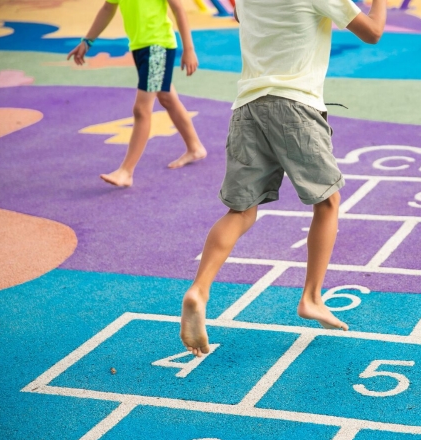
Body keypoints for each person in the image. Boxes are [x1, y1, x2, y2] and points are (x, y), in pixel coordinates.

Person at [180, 0, 388, 356]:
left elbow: (240, 14)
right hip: (295, 106)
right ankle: (311, 297)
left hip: (247, 107)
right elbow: (373, 32)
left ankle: (199, 289)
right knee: (328, 201)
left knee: (241, 211)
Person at [67, 0, 207, 187]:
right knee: (165, 97)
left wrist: (189, 50)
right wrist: (87, 41)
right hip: (139, 47)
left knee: (141, 110)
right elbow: (108, 7)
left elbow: (178, 8)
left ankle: (126, 171)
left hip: (157, 47)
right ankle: (195, 147)